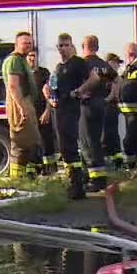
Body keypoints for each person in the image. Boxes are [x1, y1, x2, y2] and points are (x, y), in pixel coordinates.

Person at [48, 34, 98, 199]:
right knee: (64, 148)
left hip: (71, 109)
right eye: (60, 45)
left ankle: (77, 186)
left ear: (72, 46)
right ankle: (72, 183)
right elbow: (49, 86)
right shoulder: (58, 67)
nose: (63, 48)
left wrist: (78, 91)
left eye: (66, 45)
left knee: (70, 146)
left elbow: (94, 78)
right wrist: (50, 98)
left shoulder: (78, 62)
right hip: (59, 109)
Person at [78, 35, 117, 191]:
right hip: (101, 106)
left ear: (83, 46)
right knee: (95, 140)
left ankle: (97, 181)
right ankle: (90, 176)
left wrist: (81, 92)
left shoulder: (82, 64)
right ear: (97, 47)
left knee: (87, 142)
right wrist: (111, 96)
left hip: (86, 107)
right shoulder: (103, 65)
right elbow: (117, 80)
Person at [1, 31, 42, 179]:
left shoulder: (22, 60)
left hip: (26, 102)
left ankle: (27, 177)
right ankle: (18, 179)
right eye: (25, 43)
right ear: (16, 44)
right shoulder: (14, 60)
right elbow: (13, 86)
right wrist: (21, 108)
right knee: (22, 143)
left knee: (31, 141)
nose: (28, 46)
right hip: (19, 103)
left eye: (30, 43)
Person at [27, 48, 58, 175]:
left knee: (47, 140)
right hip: (29, 113)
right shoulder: (22, 74)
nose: (31, 58)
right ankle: (32, 171)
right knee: (31, 141)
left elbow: (50, 93)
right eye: (29, 56)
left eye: (33, 56)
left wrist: (47, 111)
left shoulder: (44, 73)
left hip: (43, 111)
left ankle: (50, 170)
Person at [104, 53, 125, 172]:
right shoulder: (107, 75)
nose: (118, 66)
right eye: (116, 63)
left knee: (110, 134)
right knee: (109, 134)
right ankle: (114, 161)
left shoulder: (114, 77)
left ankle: (115, 161)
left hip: (110, 107)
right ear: (110, 62)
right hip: (108, 108)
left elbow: (114, 94)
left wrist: (104, 100)